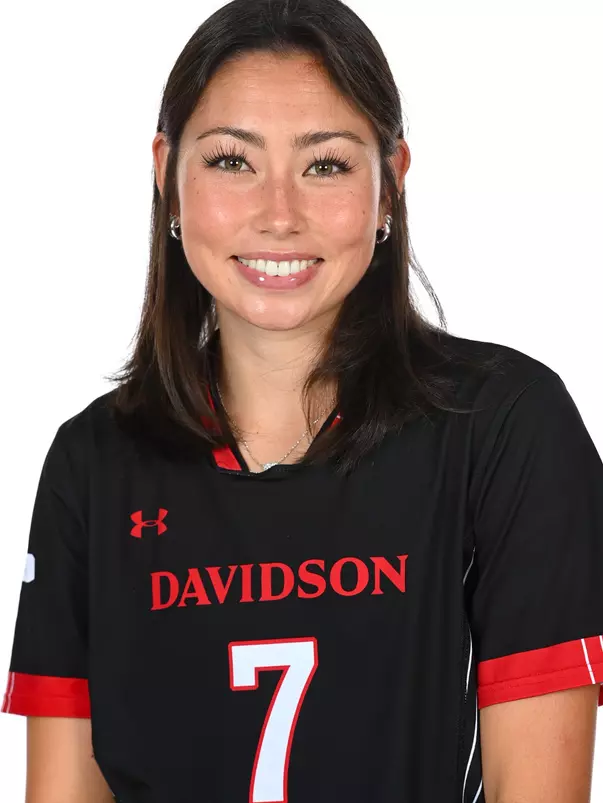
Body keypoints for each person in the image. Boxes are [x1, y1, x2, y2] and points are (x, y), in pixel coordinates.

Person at [2, 1, 602, 801]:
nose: (278, 214)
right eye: (230, 161)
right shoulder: (94, 462)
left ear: (389, 186)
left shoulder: (504, 428)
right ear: (166, 175)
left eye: (325, 165)